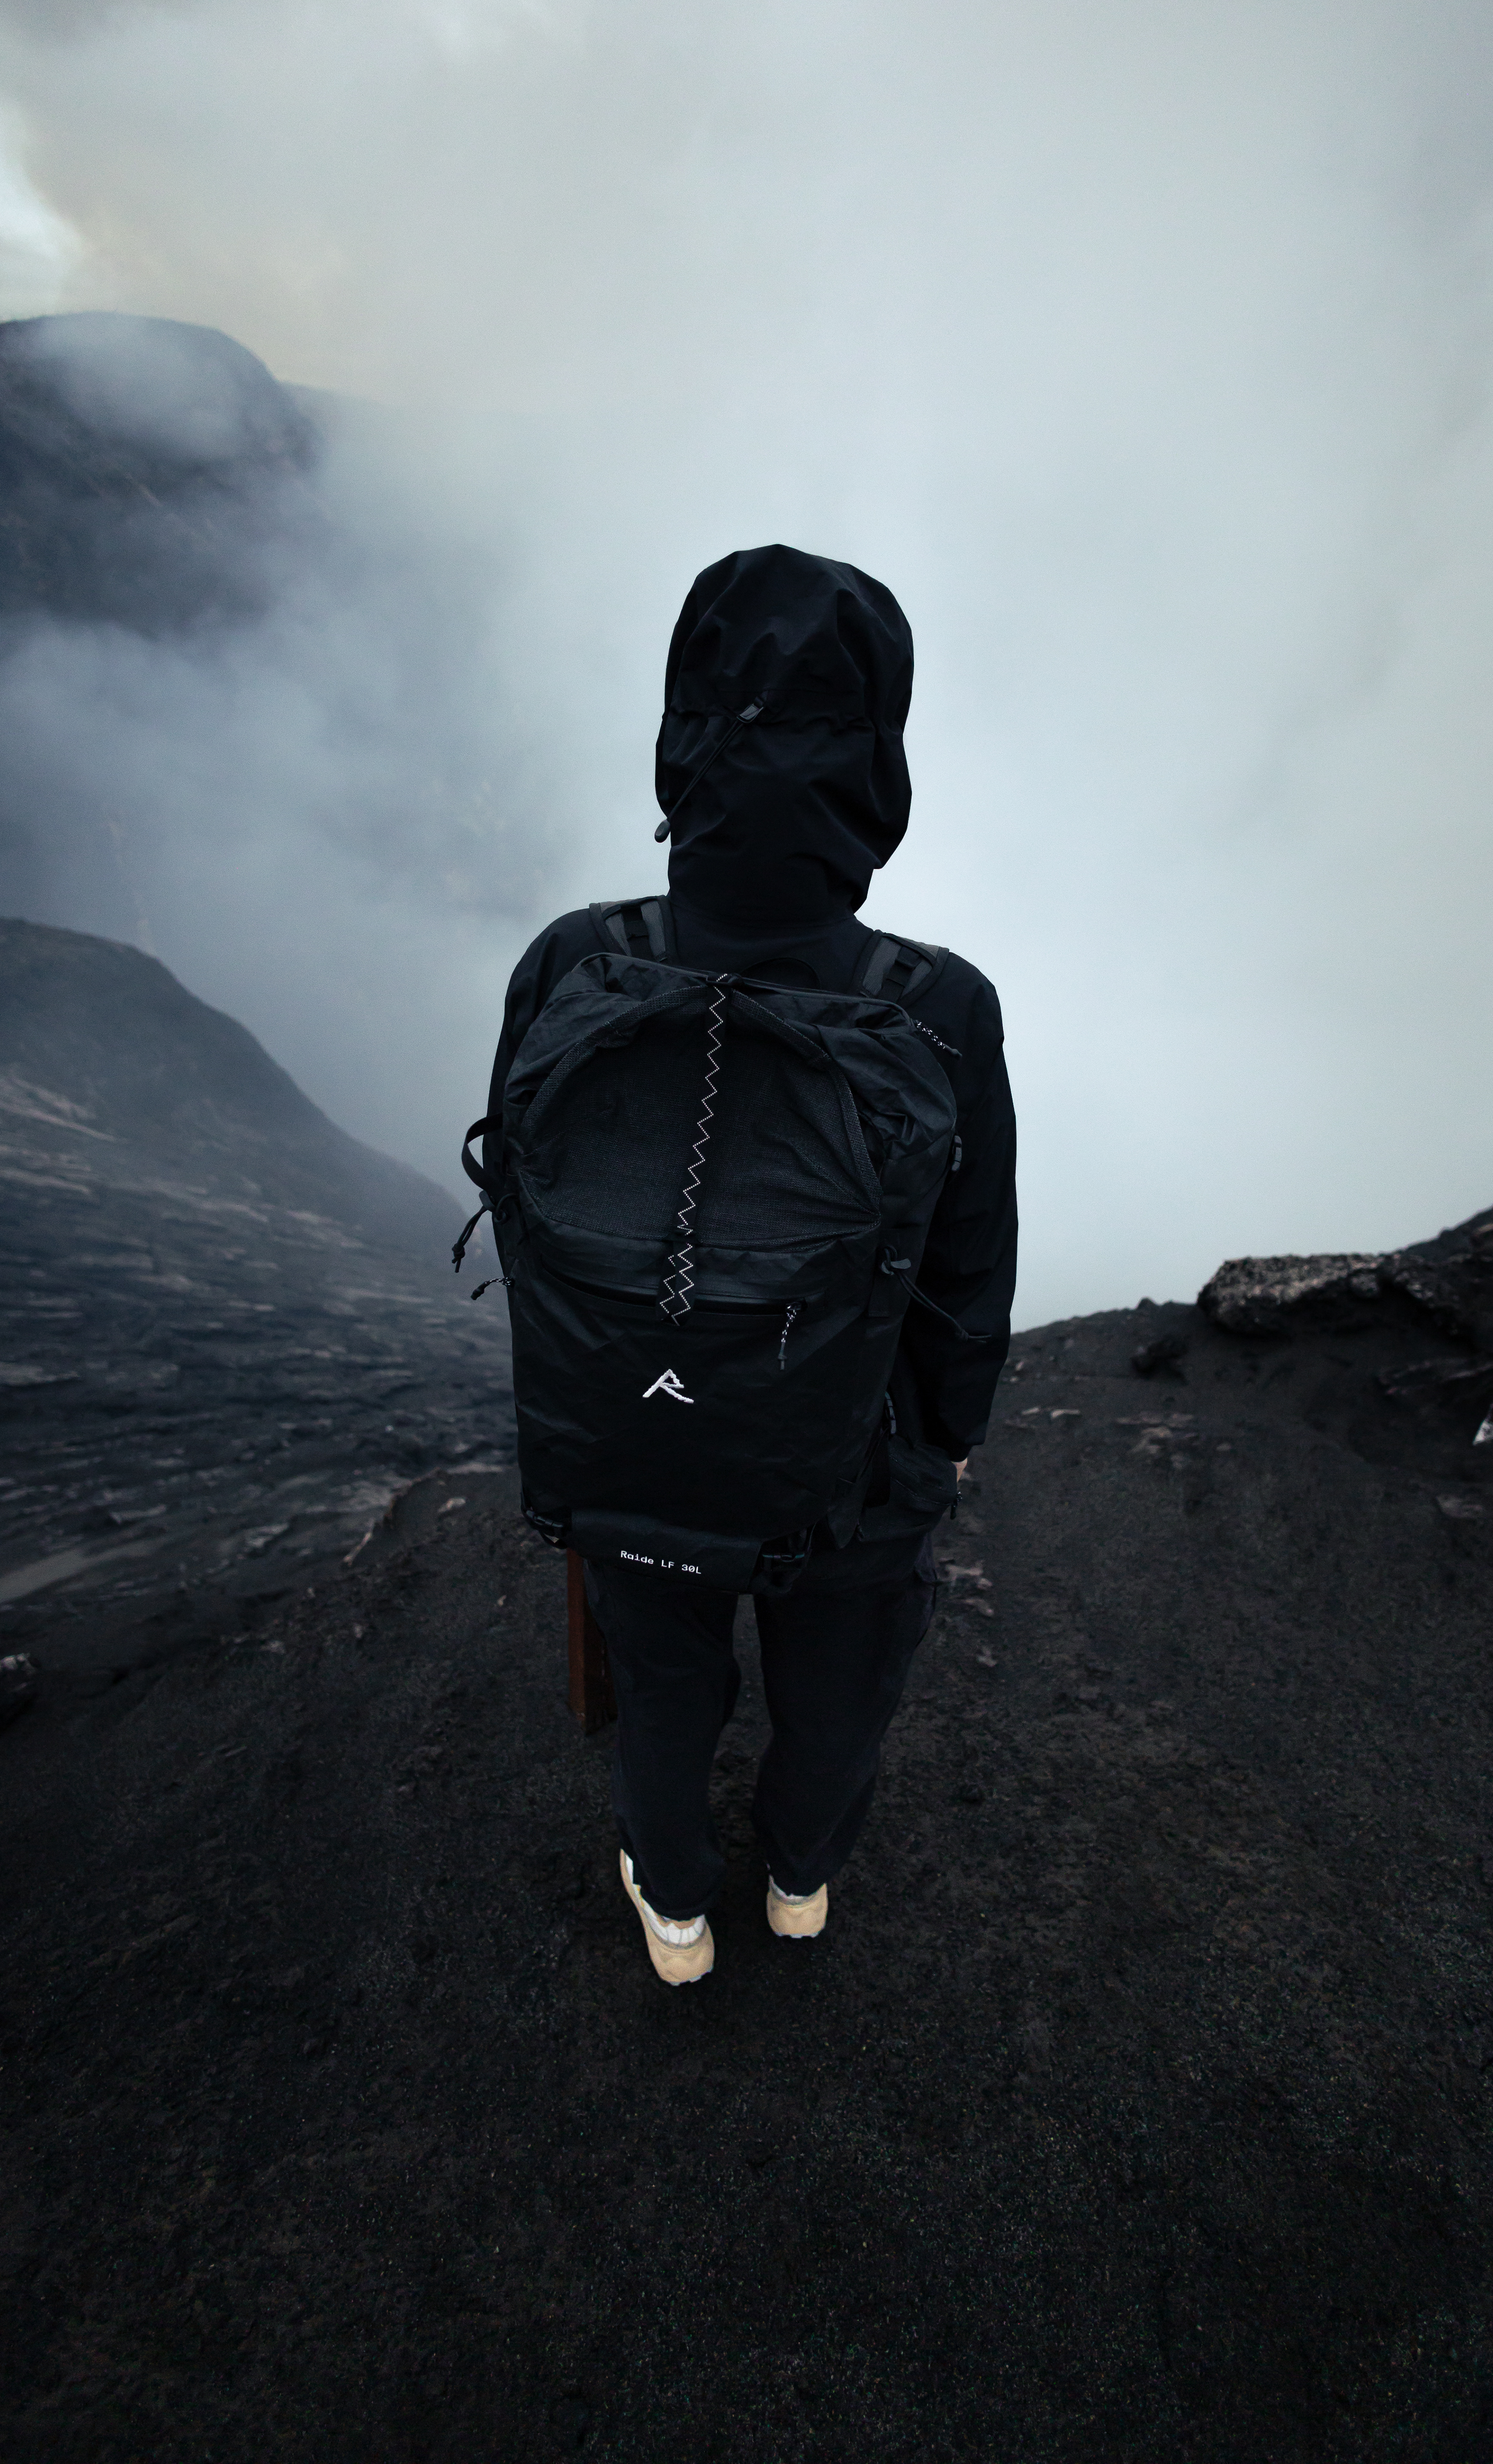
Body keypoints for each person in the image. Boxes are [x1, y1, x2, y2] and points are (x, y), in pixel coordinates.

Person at [480, 544, 1016, 1983]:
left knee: (665, 1677)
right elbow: (971, 1270)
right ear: (880, 767)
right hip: (851, 1461)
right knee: (837, 1690)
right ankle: (795, 1879)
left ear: (680, 740)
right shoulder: (939, 1007)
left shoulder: (572, 963)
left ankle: (674, 1906)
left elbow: (524, 1209)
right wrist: (946, 1441)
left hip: (629, 1439)